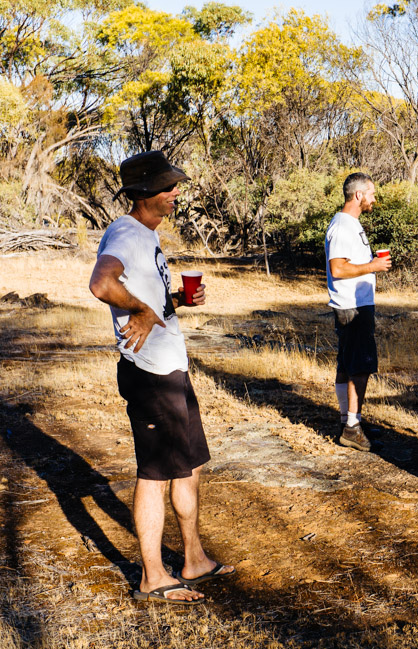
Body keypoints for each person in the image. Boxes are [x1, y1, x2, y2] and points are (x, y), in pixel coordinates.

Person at [89, 150, 233, 605]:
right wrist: (142, 310)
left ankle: (194, 559)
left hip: (171, 368)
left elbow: (148, 299)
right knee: (154, 474)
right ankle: (153, 575)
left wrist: (173, 302)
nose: (176, 193)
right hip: (148, 374)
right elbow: (101, 283)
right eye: (169, 187)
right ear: (143, 192)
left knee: (188, 466)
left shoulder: (147, 236)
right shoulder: (125, 233)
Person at [325, 172, 391, 452]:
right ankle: (352, 426)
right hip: (352, 307)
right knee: (360, 366)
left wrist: (370, 263)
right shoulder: (342, 226)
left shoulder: (351, 224)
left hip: (355, 304)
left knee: (347, 364)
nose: (374, 198)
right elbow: (337, 269)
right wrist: (373, 267)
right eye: (372, 193)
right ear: (358, 195)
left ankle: (348, 420)